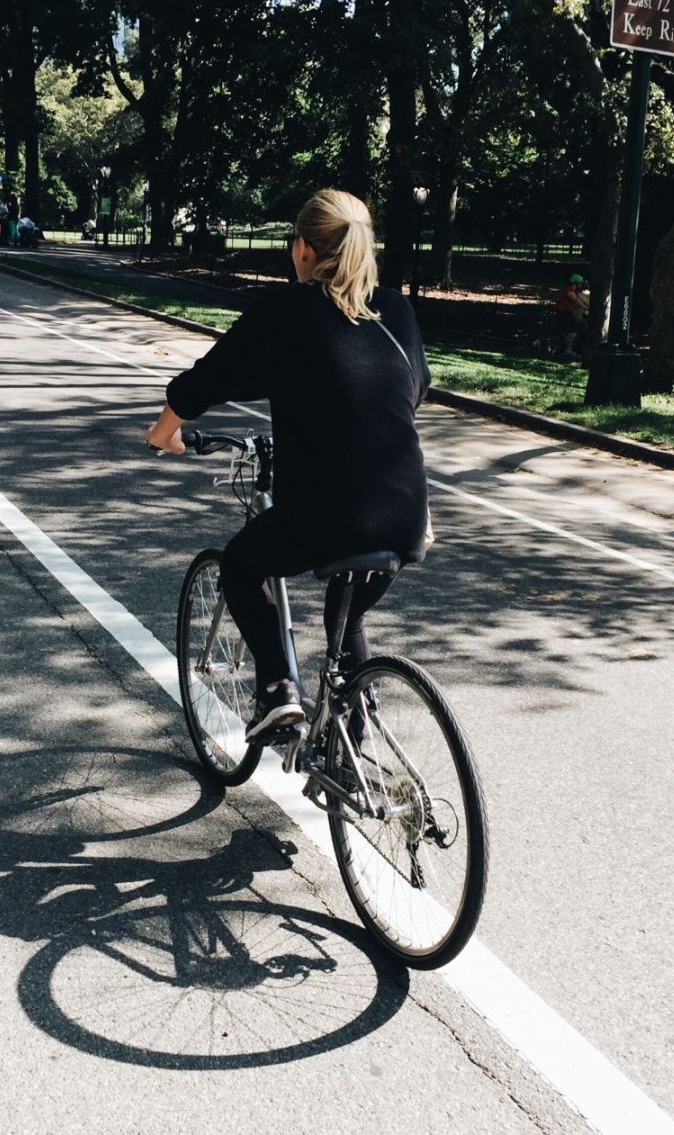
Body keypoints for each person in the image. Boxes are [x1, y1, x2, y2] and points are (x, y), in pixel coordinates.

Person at [147, 188, 431, 742]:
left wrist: (165, 432)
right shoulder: (395, 309)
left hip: (328, 514)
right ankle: (358, 715)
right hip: (408, 513)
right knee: (346, 613)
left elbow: (212, 377)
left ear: (302, 248)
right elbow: (410, 390)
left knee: (241, 565)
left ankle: (277, 689)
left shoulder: (286, 310)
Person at [555, 273, 590, 359]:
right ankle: (568, 350)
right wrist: (585, 307)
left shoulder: (574, 290)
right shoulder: (569, 290)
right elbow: (576, 300)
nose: (581, 285)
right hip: (564, 313)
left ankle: (567, 347)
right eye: (581, 283)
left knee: (571, 331)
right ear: (576, 283)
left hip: (568, 313)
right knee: (573, 332)